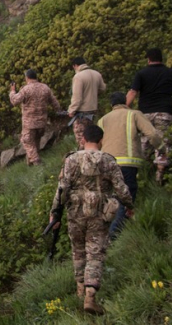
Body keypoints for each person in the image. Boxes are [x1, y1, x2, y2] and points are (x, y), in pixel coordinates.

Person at [49, 124, 134, 315]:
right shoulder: (108, 161)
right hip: (99, 214)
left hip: (75, 214)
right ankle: (90, 295)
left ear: (83, 139)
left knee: (78, 251)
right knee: (95, 253)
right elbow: (121, 189)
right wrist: (129, 206)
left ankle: (80, 290)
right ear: (101, 140)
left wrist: (55, 213)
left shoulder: (71, 160)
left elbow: (62, 189)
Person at [98, 92, 164, 237]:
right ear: (126, 103)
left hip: (105, 164)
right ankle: (114, 234)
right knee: (126, 197)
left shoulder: (103, 120)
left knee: (110, 198)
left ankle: (102, 233)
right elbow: (152, 134)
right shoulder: (134, 114)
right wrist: (162, 148)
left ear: (111, 105)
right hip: (127, 164)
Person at [126, 48, 172, 185]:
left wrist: (124, 107)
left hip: (146, 114)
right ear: (162, 58)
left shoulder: (142, 74)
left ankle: (142, 173)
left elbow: (133, 92)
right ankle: (160, 174)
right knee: (163, 142)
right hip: (165, 112)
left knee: (144, 141)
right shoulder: (171, 73)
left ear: (148, 59)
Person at [9, 69, 61, 166]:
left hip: (29, 123)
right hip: (42, 122)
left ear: (27, 77)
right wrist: (59, 111)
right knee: (35, 143)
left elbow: (15, 101)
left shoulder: (26, 89)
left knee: (27, 142)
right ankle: (30, 166)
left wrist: (12, 91)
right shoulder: (45, 88)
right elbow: (54, 102)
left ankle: (37, 162)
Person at [68, 57, 106, 149]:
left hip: (82, 113)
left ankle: (81, 158)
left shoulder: (78, 76)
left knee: (82, 139)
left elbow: (77, 97)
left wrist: (72, 110)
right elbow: (103, 88)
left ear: (75, 66)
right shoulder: (97, 74)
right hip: (93, 111)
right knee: (92, 137)